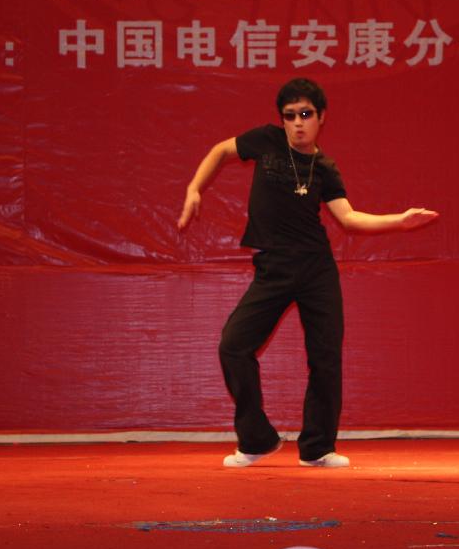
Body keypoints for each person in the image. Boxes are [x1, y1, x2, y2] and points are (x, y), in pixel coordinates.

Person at [177, 78, 438, 468]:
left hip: (317, 269)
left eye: (306, 114)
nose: (298, 123)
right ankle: (256, 439)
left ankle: (317, 447)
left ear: (321, 118)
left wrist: (399, 222)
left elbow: (348, 218)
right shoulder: (265, 141)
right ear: (281, 119)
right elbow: (220, 150)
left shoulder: (325, 168)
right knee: (233, 345)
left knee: (325, 356)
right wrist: (195, 188)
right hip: (274, 269)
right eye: (290, 116)